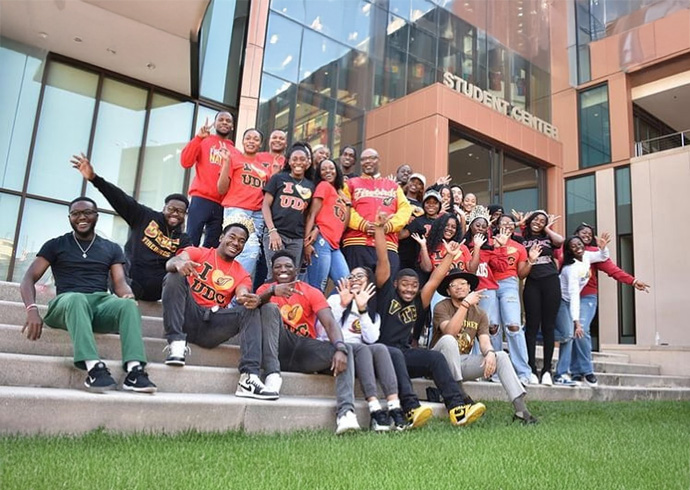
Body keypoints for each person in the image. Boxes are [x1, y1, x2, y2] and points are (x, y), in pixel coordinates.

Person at [20, 197, 156, 393]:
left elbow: (119, 283)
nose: (81, 217)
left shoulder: (111, 248)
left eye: (87, 213)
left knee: (127, 305)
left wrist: (128, 296)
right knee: (77, 298)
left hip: (99, 305)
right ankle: (94, 368)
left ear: (96, 216)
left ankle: (135, 371)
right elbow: (28, 278)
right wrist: (32, 310)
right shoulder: (56, 245)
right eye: (75, 214)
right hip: (66, 304)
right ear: (70, 218)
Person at [373, 212, 487, 427]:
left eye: (414, 285)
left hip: (403, 354)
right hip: (381, 352)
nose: (409, 288)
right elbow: (383, 261)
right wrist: (379, 229)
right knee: (396, 353)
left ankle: (457, 408)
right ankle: (411, 408)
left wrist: (450, 256)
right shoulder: (387, 294)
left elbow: (434, 280)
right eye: (405, 284)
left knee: (434, 359)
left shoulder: (418, 300)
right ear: (396, 284)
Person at [161, 220, 281, 400]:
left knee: (251, 309)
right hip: (187, 315)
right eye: (232, 237)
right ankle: (176, 343)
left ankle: (249, 378)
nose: (236, 243)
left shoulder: (241, 273)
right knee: (174, 275)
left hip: (212, 326)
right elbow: (176, 261)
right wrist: (178, 264)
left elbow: (242, 292)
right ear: (221, 237)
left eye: (241, 241)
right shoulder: (199, 252)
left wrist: (246, 298)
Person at [256, 251, 361, 435]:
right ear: (272, 270)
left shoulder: (310, 291)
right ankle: (272, 374)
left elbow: (329, 322)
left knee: (346, 351)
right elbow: (253, 311)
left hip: (304, 348)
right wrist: (270, 292)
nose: (283, 270)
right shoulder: (264, 289)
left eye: (288, 266)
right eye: (278, 266)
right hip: (276, 346)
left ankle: (346, 413)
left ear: (296, 270)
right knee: (270, 308)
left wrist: (340, 347)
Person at [70, 153, 191, 301]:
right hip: (130, 282)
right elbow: (120, 198)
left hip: (158, 289)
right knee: (111, 253)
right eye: (171, 209)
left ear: (184, 215)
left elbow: (186, 259)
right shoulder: (144, 216)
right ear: (164, 208)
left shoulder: (184, 239)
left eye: (180, 211)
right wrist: (94, 178)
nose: (175, 214)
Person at [431, 270, 538, 424]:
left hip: (462, 362)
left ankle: (522, 411)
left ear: (469, 288)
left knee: (500, 356)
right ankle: (460, 395)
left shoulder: (480, 314)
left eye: (463, 284)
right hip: (439, 363)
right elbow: (450, 331)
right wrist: (465, 305)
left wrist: (489, 353)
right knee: (449, 340)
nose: (459, 287)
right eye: (453, 285)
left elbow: (485, 341)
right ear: (448, 291)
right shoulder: (442, 307)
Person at [566, 224, 651, 385]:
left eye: (590, 234)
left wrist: (633, 281)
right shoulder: (567, 250)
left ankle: (587, 371)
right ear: (575, 235)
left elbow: (613, 270)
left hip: (587, 297)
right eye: (583, 232)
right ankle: (576, 371)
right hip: (567, 298)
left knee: (581, 328)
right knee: (572, 332)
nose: (586, 235)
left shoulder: (593, 254)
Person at [326, 270, 407, 431]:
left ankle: (394, 406)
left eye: (360, 276)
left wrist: (362, 310)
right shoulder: (335, 299)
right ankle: (374, 408)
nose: (355, 279)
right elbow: (324, 332)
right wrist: (342, 305)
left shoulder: (371, 309)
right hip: (336, 349)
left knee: (380, 348)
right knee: (361, 348)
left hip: (360, 355)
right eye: (351, 276)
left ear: (368, 282)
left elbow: (372, 338)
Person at [342, 148, 412, 277]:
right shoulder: (350, 184)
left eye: (372, 158)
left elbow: (405, 210)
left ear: (378, 160)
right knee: (357, 289)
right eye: (363, 159)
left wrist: (387, 227)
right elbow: (344, 207)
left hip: (388, 245)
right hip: (357, 243)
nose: (367, 161)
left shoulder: (393, 186)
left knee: (385, 292)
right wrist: (364, 225)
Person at [553, 233, 610, 386]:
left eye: (579, 244)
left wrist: (603, 248)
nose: (578, 247)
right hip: (560, 301)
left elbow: (602, 257)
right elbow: (573, 295)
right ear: (569, 251)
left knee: (568, 335)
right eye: (573, 246)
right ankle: (560, 374)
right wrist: (577, 322)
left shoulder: (586, 257)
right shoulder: (570, 269)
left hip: (568, 301)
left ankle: (562, 373)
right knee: (568, 335)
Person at [217, 128, 272, 282]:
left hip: (257, 215)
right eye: (248, 138)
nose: (251, 141)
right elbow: (221, 188)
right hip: (237, 208)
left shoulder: (265, 169)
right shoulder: (234, 158)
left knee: (247, 253)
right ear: (243, 141)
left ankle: (236, 289)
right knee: (249, 250)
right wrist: (226, 162)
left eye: (255, 139)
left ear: (260, 144)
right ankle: (232, 288)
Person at [493, 214, 542, 385]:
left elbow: (522, 274)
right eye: (503, 223)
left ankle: (523, 371)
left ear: (514, 227)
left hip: (509, 284)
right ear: (497, 226)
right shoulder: (489, 243)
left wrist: (530, 260)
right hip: (490, 284)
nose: (507, 225)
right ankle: (495, 372)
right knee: (493, 327)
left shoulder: (519, 247)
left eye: (510, 223)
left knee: (513, 325)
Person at [521, 210, 564, 386]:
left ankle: (547, 370)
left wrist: (547, 228)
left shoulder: (548, 238)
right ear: (529, 220)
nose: (538, 222)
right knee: (531, 326)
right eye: (536, 219)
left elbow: (560, 241)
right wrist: (521, 224)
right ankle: (531, 368)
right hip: (532, 283)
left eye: (542, 220)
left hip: (551, 281)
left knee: (549, 326)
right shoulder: (521, 239)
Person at [181, 111, 236, 248]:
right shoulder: (204, 141)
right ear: (215, 123)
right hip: (201, 198)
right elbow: (185, 162)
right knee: (191, 239)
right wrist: (198, 138)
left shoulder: (234, 152)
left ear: (232, 126)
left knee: (212, 246)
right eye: (221, 119)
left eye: (228, 121)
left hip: (222, 204)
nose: (224, 122)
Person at [262, 143, 315, 279]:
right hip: (276, 234)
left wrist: (306, 241)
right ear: (289, 161)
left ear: (308, 163)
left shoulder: (311, 185)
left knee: (291, 277)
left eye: (302, 159)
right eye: (295, 159)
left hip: (296, 239)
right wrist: (272, 231)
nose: (298, 162)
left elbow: (309, 215)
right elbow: (265, 205)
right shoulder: (278, 178)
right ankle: (270, 301)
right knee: (274, 275)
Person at [303, 159, 351, 292]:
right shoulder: (323, 186)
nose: (328, 171)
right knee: (317, 287)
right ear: (319, 173)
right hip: (321, 240)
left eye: (331, 168)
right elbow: (311, 214)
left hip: (335, 245)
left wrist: (347, 204)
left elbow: (344, 225)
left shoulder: (339, 194)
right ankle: (315, 313)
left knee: (346, 284)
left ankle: (328, 310)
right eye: (323, 169)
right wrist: (306, 243)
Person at [398, 188, 441, 272]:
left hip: (439, 262)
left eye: (435, 203)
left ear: (439, 205)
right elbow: (401, 235)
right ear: (423, 204)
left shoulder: (444, 220)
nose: (431, 205)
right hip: (422, 264)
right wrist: (402, 218)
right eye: (428, 202)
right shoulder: (418, 221)